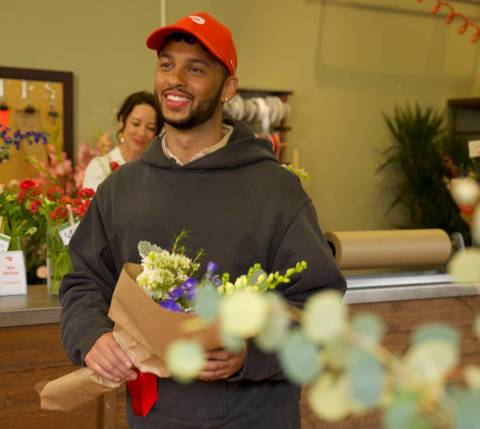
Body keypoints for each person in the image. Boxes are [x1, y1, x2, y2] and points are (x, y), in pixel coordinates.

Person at [59, 12, 346, 429]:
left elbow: (319, 307)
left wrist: (251, 354)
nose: (175, 79)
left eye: (196, 68)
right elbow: (83, 282)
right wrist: (92, 337)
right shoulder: (121, 189)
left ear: (228, 87)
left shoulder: (276, 191)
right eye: (166, 64)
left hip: (253, 417)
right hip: (153, 416)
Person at [83, 91, 162, 190]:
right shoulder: (99, 168)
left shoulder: (160, 171)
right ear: (121, 121)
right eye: (135, 123)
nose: (142, 133)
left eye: (150, 128)